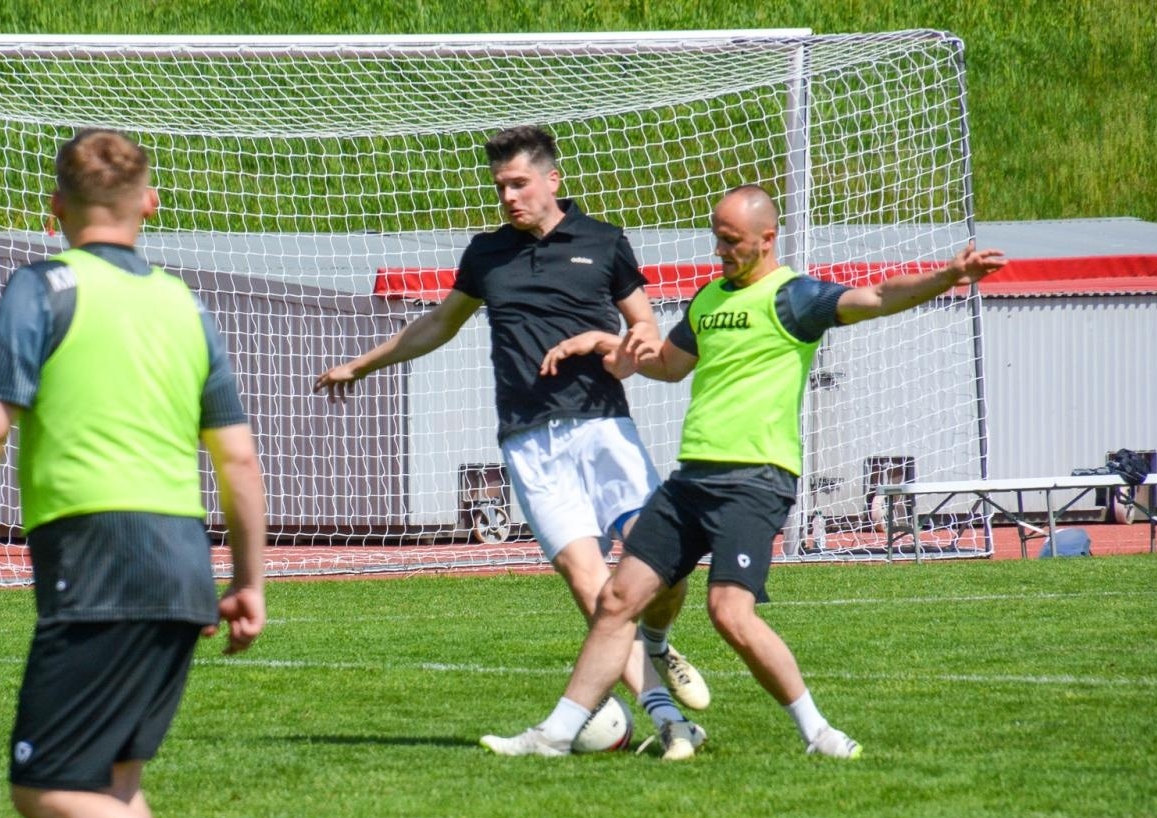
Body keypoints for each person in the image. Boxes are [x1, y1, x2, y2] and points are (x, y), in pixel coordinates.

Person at [0, 129, 281, 818]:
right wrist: (250, 580)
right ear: (152, 204)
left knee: (45, 786)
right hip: (182, 559)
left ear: (53, 211)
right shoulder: (183, 302)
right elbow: (240, 461)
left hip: (96, 557)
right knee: (113, 777)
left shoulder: (42, 285)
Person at [517, 183, 1007, 757]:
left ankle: (818, 732)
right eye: (716, 240)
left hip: (755, 480)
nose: (720, 251)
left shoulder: (792, 297)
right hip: (691, 479)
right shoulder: (707, 301)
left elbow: (875, 297)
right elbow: (670, 367)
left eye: (731, 241)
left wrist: (947, 276)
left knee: (728, 612)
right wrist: (612, 346)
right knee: (618, 599)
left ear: (766, 239)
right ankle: (552, 736)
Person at [313, 125, 711, 760]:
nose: (508, 196)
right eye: (500, 186)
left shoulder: (605, 243)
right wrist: (363, 364)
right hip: (528, 441)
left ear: (553, 180)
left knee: (654, 564)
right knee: (590, 582)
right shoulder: (487, 253)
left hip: (602, 427)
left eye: (519, 183)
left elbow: (643, 326)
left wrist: (620, 347)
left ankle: (659, 642)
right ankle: (667, 720)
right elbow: (440, 324)